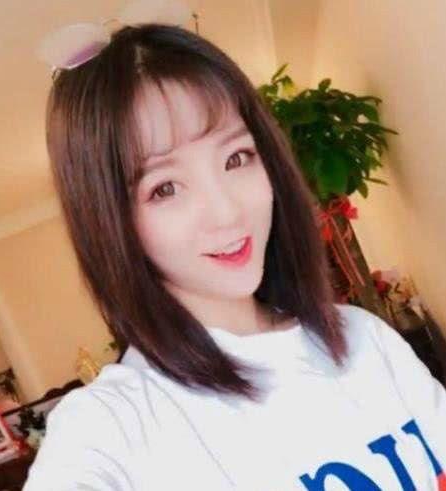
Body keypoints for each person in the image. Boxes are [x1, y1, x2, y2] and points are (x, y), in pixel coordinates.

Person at [23, 20, 446, 491]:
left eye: (236, 158)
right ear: (110, 222)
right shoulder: (114, 427)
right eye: (165, 188)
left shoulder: (363, 338)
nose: (227, 211)